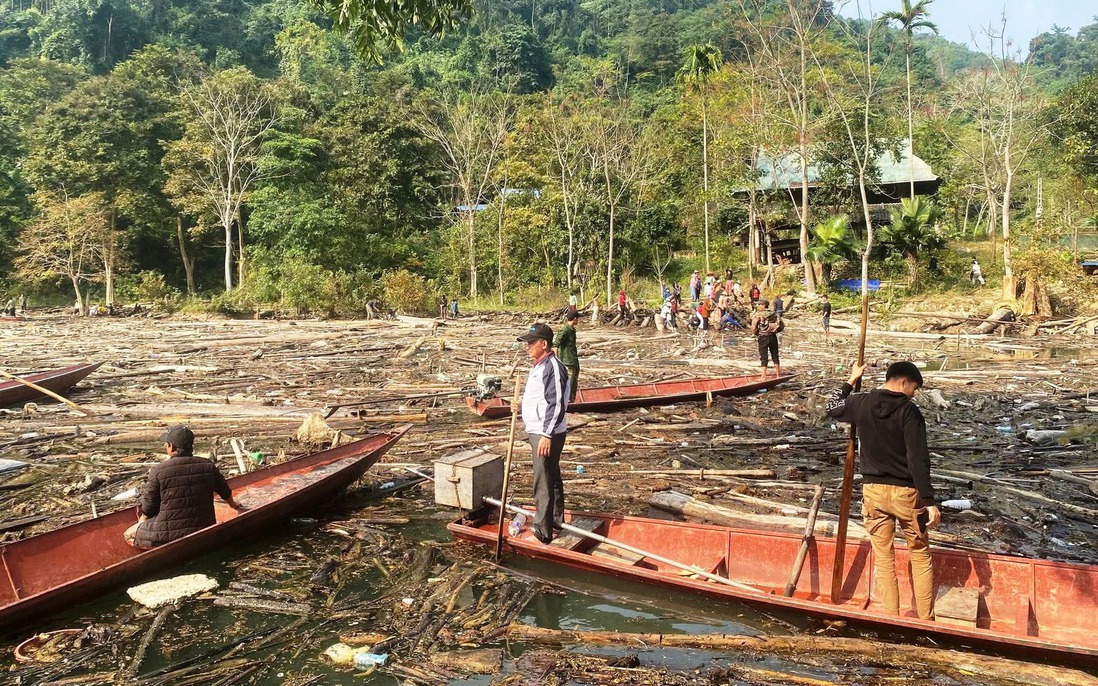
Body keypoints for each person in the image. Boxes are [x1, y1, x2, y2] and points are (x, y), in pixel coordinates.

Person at [826, 361, 940, 620]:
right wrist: (929, 501)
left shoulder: (861, 402)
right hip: (906, 494)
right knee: (919, 553)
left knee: (883, 556)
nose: (913, 394)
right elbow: (917, 459)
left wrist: (850, 380)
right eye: (913, 388)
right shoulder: (909, 412)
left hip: (873, 491)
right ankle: (925, 619)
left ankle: (891, 617)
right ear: (903, 382)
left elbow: (832, 406)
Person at [124, 426, 244, 548]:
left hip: (166, 536)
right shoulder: (208, 466)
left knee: (128, 534)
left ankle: (155, 552)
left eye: (166, 444)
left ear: (171, 446)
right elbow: (225, 492)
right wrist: (233, 505)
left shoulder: (158, 471)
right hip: (204, 530)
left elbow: (149, 508)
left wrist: (142, 522)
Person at [517, 323, 569, 544]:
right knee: (551, 474)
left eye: (531, 342)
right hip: (539, 429)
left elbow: (556, 403)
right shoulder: (539, 366)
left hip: (545, 432)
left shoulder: (553, 367)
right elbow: (540, 397)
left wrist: (547, 434)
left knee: (543, 479)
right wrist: (521, 404)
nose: (528, 346)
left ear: (544, 344)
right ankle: (555, 519)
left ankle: (542, 530)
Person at [749, 299, 783, 378]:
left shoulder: (758, 314)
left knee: (764, 357)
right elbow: (781, 326)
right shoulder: (775, 314)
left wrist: (757, 333)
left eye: (759, 304)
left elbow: (753, 327)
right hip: (773, 336)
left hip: (763, 336)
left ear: (763, 305)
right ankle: (778, 375)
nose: (758, 306)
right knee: (775, 356)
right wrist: (775, 331)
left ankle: (763, 377)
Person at [553, 311, 580, 403]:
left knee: (574, 381)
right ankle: (565, 400)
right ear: (575, 319)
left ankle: (571, 398)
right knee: (568, 381)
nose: (578, 321)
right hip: (567, 360)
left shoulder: (572, 330)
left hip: (573, 359)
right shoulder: (565, 330)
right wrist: (556, 360)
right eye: (577, 319)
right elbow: (556, 345)